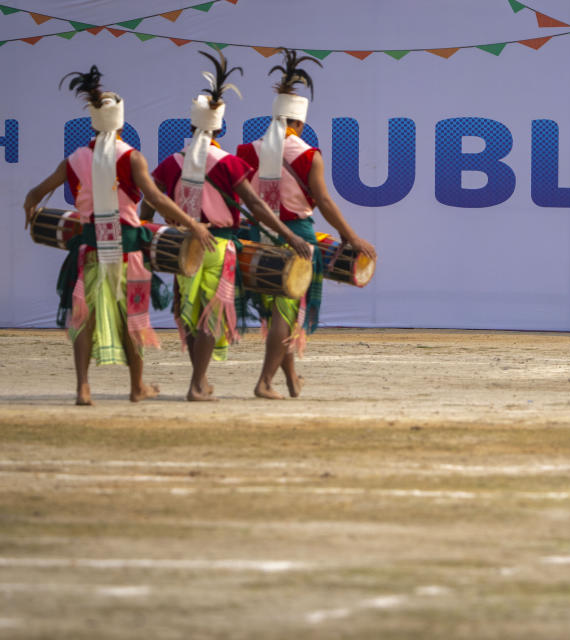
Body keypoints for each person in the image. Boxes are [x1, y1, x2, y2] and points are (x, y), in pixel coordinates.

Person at [23, 66, 214, 405]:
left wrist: (30, 212)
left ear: (94, 124)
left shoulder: (75, 159)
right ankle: (136, 386)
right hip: (127, 253)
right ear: (122, 124)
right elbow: (156, 199)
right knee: (133, 319)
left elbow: (35, 194)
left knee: (84, 317)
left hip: (89, 250)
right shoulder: (132, 157)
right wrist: (194, 224)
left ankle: (83, 387)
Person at [143, 51, 312, 401]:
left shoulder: (171, 163)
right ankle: (196, 385)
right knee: (209, 317)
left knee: (189, 314)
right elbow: (256, 206)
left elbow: (150, 203)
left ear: (191, 126)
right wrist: (289, 234)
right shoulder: (228, 163)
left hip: (182, 247)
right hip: (217, 247)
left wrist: (170, 224)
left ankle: (200, 381)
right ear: (219, 128)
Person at [237, 49, 376, 399]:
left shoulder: (245, 151)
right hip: (297, 235)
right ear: (299, 123)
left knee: (278, 310)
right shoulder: (309, 154)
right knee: (287, 310)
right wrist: (351, 237)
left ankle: (291, 378)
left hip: (258, 234)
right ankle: (265, 381)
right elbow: (324, 202)